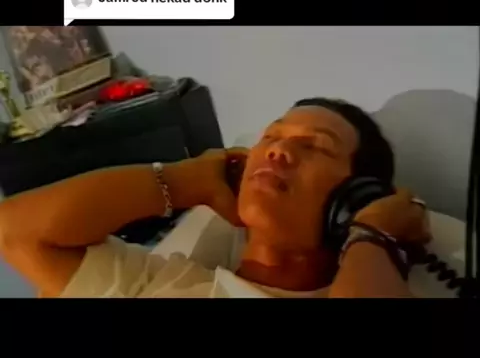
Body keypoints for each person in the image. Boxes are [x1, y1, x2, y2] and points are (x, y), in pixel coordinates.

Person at [0, 98, 431, 298]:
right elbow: (15, 232)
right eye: (271, 136)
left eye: (314, 146)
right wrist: (183, 181)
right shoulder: (159, 282)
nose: (278, 151)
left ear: (357, 196)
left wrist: (371, 236)